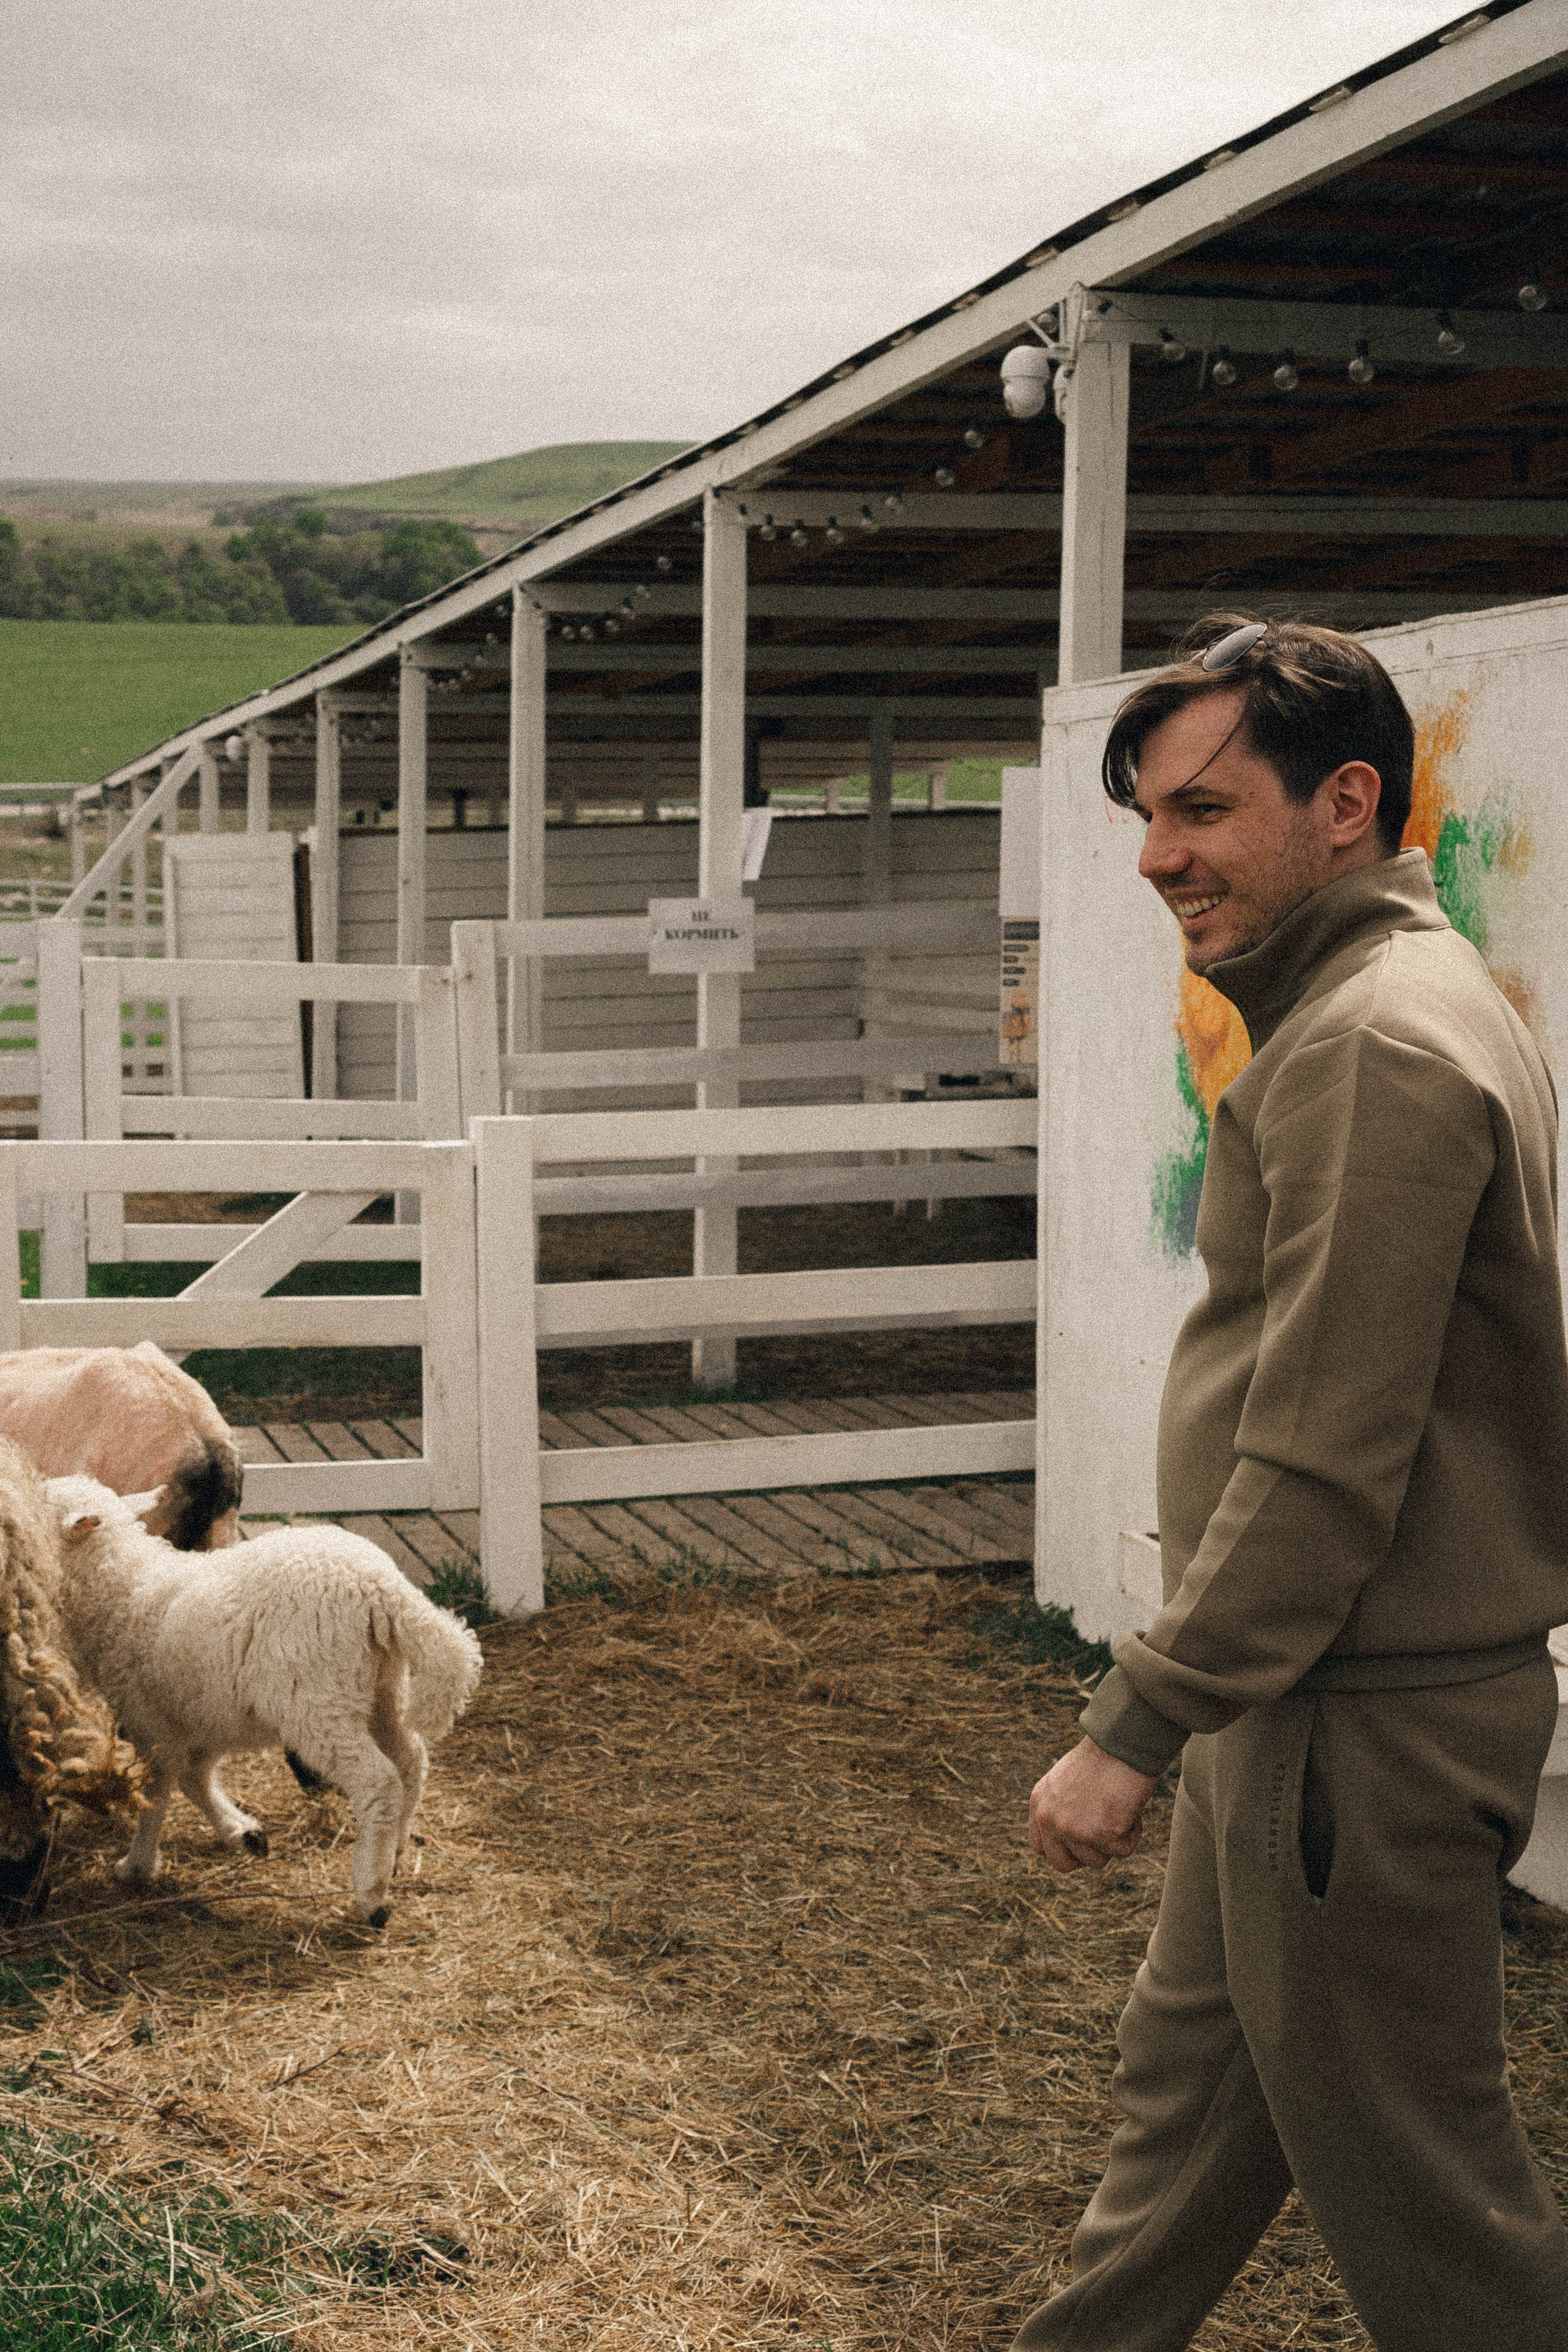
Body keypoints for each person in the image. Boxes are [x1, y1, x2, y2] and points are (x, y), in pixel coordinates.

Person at [1016, 614, 1568, 2352]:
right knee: (1184, 2126)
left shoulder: (1372, 1046)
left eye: (1202, 808)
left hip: (1359, 1726)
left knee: (1428, 2207)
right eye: (1146, 822)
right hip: (1309, 1706)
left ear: (1346, 801)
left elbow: (1326, 1460)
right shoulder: (1387, 1000)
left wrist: (1135, 1722)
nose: (1161, 858)